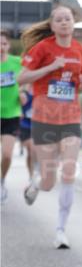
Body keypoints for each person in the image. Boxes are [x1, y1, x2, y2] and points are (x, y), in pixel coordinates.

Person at [17, 6, 82, 248]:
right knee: (49, 182)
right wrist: (50, 67)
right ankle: (36, 183)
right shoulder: (43, 48)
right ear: (52, 25)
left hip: (70, 117)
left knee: (69, 172)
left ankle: (61, 230)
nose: (63, 23)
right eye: (58, 20)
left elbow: (78, 84)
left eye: (67, 19)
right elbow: (22, 78)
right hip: (44, 117)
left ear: (73, 23)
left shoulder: (81, 50)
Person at [1, 31, 23, 203]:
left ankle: (1, 181)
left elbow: (29, 79)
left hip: (11, 115)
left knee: (7, 155)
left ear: (8, 46)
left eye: (3, 44)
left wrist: (24, 93)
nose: (0, 48)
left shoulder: (17, 62)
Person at [19, 88, 35, 181]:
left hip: (40, 124)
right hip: (25, 125)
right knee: (31, 150)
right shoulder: (24, 92)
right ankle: (31, 174)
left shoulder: (44, 90)